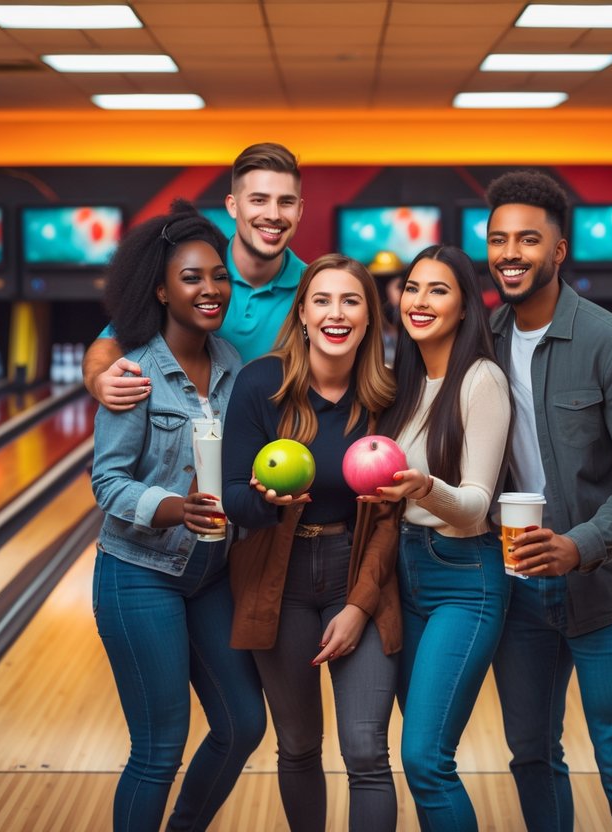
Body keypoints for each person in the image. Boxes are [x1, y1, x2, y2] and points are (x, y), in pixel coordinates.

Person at [483, 170, 612, 831]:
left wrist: (579, 546)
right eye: (498, 238)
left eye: (528, 239)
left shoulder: (611, 343)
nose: (510, 252)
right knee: (531, 754)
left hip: (604, 590)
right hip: (517, 588)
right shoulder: (484, 340)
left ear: (558, 250)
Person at [89, 199, 266, 831]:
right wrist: (172, 507)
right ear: (161, 290)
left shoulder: (233, 367)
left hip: (210, 575)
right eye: (191, 278)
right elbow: (106, 483)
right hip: (139, 572)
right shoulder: (134, 370)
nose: (210, 288)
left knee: (243, 724)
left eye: (217, 275)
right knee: (159, 748)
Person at [221, 253, 401, 832]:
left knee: (367, 751)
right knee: (297, 745)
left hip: (360, 571)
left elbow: (391, 517)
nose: (336, 313)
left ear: (371, 318)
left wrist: (358, 607)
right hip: (280, 574)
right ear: (301, 313)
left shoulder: (387, 396)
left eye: (351, 301)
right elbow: (231, 497)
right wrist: (267, 502)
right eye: (321, 300)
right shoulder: (260, 385)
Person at [364, 244, 512, 830]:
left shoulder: (482, 380)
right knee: (418, 755)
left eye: (438, 290)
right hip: (404, 573)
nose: (420, 301)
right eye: (413, 289)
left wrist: (424, 488)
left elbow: (476, 505)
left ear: (464, 305)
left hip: (464, 578)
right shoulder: (399, 382)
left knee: (426, 759)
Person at [84, 142, 307, 410]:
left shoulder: (314, 287)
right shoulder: (195, 275)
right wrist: (99, 380)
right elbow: (111, 343)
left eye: (286, 202)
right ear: (233, 206)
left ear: (300, 210)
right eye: (258, 200)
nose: (273, 215)